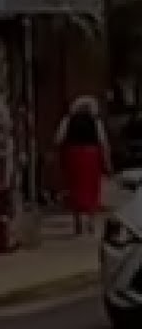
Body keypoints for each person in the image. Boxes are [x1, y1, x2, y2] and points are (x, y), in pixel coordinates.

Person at [54, 95, 112, 235]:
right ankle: (90, 221)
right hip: (91, 155)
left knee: (75, 187)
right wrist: (107, 160)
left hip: (73, 155)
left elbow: (58, 139)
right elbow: (102, 141)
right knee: (92, 187)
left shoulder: (68, 120)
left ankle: (77, 222)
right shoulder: (95, 121)